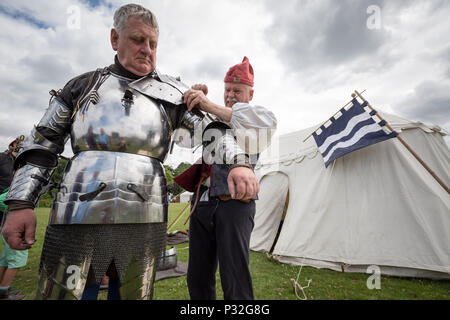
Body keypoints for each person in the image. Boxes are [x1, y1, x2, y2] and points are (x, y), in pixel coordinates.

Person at [1, 4, 258, 300]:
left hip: (143, 216)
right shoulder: (82, 86)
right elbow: (41, 145)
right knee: (63, 295)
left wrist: (238, 163)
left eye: (153, 44)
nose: (147, 49)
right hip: (76, 215)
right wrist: (20, 204)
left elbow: (213, 131)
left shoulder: (172, 95)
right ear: (115, 39)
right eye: (138, 40)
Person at [175, 57, 277, 299]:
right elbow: (181, 137)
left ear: (250, 94)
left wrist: (208, 104)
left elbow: (252, 119)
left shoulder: (257, 118)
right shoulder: (213, 119)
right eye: (227, 90)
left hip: (234, 206)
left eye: (237, 90)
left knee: (235, 279)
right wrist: (193, 102)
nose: (230, 95)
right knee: (197, 277)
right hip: (202, 204)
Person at [0, 136, 27, 300]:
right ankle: (4, 292)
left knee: (6, 256)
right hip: (9, 211)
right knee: (17, 256)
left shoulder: (20, 165)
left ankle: (2, 289)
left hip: (9, 213)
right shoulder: (2, 158)